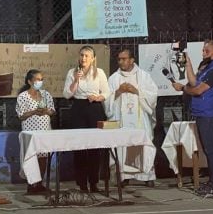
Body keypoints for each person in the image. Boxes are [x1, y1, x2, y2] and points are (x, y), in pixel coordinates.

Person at [171, 40, 213, 196]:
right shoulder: (207, 67)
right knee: (208, 150)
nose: (203, 53)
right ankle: (212, 182)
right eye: (203, 50)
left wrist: (183, 88)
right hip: (202, 114)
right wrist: (188, 63)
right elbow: (194, 81)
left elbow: (198, 90)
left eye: (207, 51)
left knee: (211, 150)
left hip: (209, 115)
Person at [106, 48, 158, 187]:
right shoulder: (114, 78)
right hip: (121, 120)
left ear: (132, 60)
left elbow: (153, 96)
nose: (121, 62)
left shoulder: (144, 76)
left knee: (142, 144)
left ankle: (146, 176)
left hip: (140, 120)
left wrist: (136, 91)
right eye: (119, 59)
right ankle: (123, 176)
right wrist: (118, 91)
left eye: (124, 59)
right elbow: (106, 100)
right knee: (123, 145)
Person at [62, 45, 110, 193]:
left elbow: (107, 92)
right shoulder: (73, 72)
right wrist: (76, 81)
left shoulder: (99, 73)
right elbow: (67, 94)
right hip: (78, 109)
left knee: (95, 147)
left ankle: (94, 182)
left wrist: (98, 97)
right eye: (82, 55)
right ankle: (82, 183)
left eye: (87, 56)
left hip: (94, 108)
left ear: (93, 59)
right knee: (80, 147)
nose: (83, 58)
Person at [16, 69, 55, 194]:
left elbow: (52, 110)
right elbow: (21, 115)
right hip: (30, 132)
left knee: (43, 157)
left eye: (41, 79)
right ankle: (31, 184)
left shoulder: (45, 94)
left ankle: (39, 184)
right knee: (32, 157)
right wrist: (34, 112)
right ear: (29, 81)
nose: (40, 82)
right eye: (37, 79)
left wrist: (46, 111)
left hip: (44, 131)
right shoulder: (23, 96)